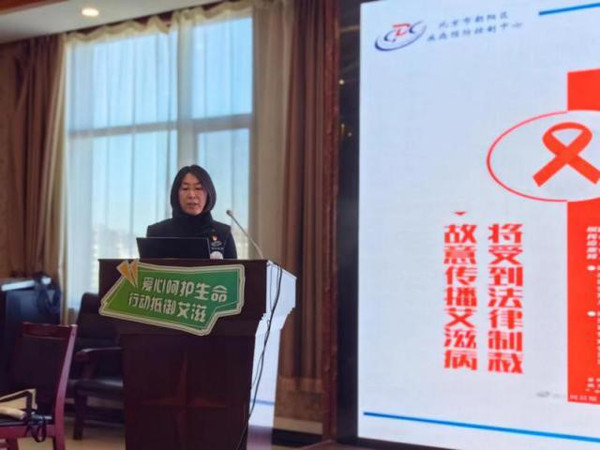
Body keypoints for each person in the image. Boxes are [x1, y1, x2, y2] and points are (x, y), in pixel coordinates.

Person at [146, 165, 237, 259]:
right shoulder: (157, 233)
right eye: (185, 188)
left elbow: (235, 268)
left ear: (209, 193)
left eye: (198, 188)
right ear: (176, 194)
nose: (192, 195)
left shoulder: (222, 233)